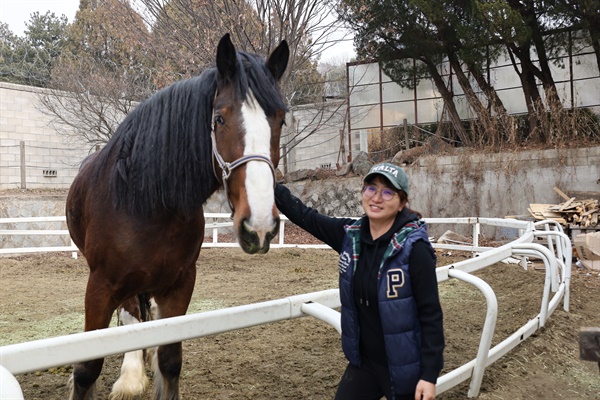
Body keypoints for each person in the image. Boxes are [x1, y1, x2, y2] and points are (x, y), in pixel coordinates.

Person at [274, 162, 444, 400]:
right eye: (371, 188)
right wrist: (267, 183)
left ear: (402, 202)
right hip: (364, 364)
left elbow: (431, 315)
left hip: (405, 367)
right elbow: (306, 217)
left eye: (387, 192)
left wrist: (429, 375)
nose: (377, 198)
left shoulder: (414, 249)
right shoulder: (350, 235)